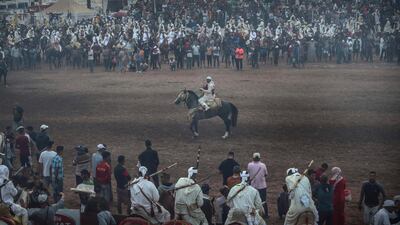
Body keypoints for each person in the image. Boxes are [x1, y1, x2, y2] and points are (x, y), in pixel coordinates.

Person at [247, 152, 269, 218]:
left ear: (253, 158)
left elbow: (248, 174)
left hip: (253, 186)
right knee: (263, 201)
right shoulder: (263, 165)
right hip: (262, 186)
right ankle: (265, 214)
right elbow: (266, 174)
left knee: (253, 201)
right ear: (259, 158)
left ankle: (253, 214)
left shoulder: (249, 165)